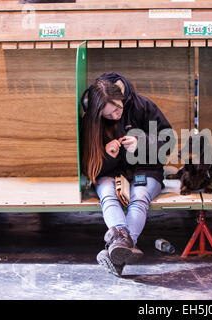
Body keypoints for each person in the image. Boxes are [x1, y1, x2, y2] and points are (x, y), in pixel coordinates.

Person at [80, 72, 174, 277]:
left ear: (121, 97)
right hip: (110, 172)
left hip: (146, 170)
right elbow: (92, 166)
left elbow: (169, 141)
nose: (115, 116)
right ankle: (122, 248)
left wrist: (142, 143)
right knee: (107, 195)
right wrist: (107, 155)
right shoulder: (92, 120)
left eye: (117, 109)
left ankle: (116, 250)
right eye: (108, 116)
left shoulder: (143, 106)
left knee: (140, 198)